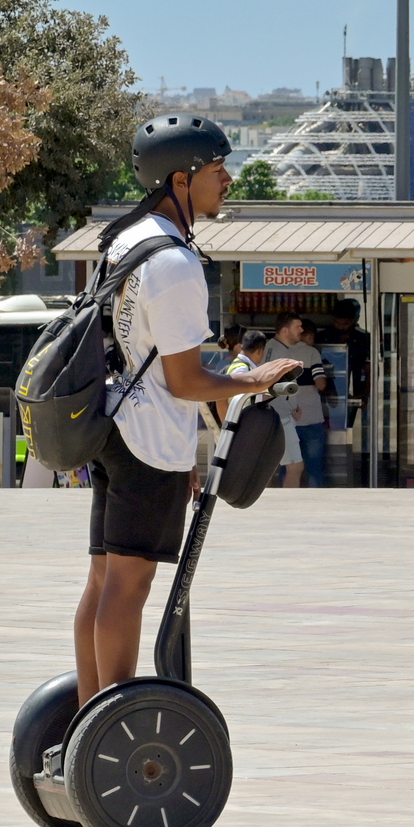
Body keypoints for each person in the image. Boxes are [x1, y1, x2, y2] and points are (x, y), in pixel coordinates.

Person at [73, 115, 302, 710]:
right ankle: (110, 721)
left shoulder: (126, 240)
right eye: (218, 170)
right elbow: (183, 379)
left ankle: (89, 717)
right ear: (182, 178)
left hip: (116, 426)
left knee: (103, 580)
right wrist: (255, 377)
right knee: (129, 583)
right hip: (149, 440)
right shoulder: (174, 262)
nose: (228, 180)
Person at [265, 312, 328, 487]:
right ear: (285, 330)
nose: (301, 330)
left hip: (289, 416)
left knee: (292, 467)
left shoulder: (283, 350)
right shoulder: (274, 351)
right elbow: (265, 385)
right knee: (299, 466)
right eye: (297, 327)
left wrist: (293, 404)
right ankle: (290, 506)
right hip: (282, 417)